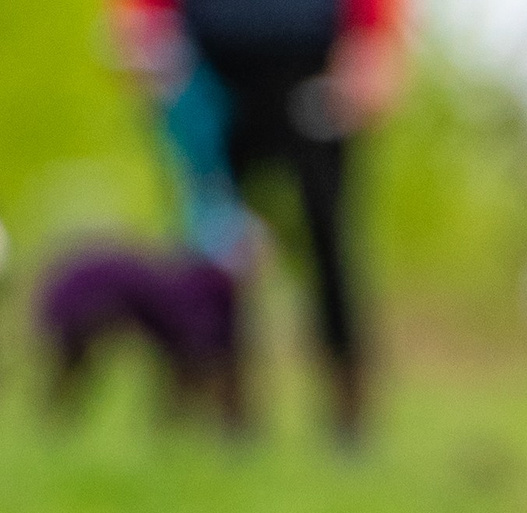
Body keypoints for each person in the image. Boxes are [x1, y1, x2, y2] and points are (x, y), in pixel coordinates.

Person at [116, 0, 405, 446]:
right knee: (209, 248)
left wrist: (374, 40)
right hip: (207, 66)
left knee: (329, 240)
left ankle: (349, 417)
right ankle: (224, 410)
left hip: (315, 60)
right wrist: (143, 23)